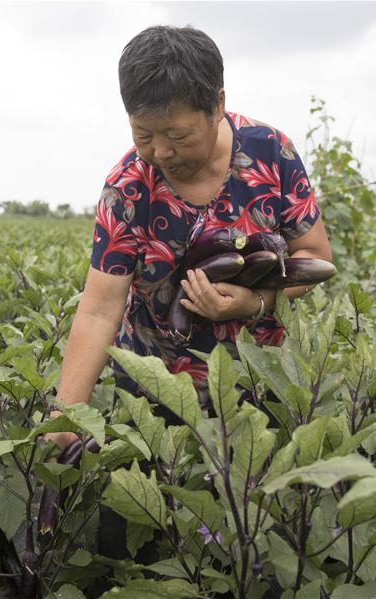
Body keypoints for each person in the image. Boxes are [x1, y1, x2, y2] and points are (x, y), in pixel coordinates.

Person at [47, 25, 332, 450]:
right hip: (156, 392)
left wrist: (254, 303)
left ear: (217, 105)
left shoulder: (271, 154)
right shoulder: (128, 189)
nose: (160, 152)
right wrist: (62, 420)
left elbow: (313, 257)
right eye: (143, 135)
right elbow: (99, 312)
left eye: (177, 136)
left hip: (258, 385)